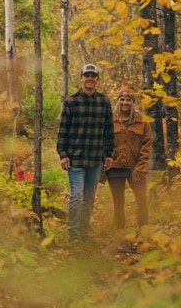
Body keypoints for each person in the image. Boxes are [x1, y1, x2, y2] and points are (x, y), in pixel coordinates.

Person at [57, 63, 114, 243]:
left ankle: (84, 231)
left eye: (93, 76)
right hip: (76, 159)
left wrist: (109, 154)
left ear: (97, 80)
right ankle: (74, 234)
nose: (90, 79)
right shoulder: (71, 102)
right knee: (77, 197)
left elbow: (109, 131)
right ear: (81, 78)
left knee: (89, 198)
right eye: (86, 75)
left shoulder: (104, 103)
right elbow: (63, 130)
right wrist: (63, 154)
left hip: (95, 160)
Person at [104, 82, 152, 231]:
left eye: (128, 100)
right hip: (114, 168)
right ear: (118, 101)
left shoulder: (143, 122)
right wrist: (102, 169)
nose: (125, 103)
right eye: (122, 100)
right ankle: (121, 234)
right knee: (119, 202)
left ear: (133, 103)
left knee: (142, 200)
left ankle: (144, 232)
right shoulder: (109, 121)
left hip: (135, 168)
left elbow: (147, 146)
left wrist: (141, 168)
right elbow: (102, 144)